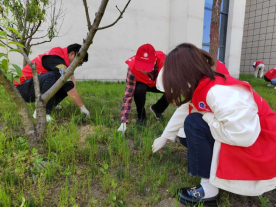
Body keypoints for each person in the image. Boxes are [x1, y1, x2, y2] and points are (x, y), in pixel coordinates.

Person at [152, 43, 276, 206]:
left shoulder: (216, 93)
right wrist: (166, 136)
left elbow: (244, 135)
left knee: (194, 124)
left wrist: (208, 118)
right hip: (253, 136)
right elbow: (185, 110)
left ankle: (209, 191)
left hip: (262, 146)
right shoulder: (203, 85)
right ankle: (213, 173)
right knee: (187, 135)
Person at [14, 43, 90, 121]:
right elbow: (68, 84)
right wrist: (82, 107)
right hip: (22, 89)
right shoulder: (55, 57)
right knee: (57, 76)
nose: (78, 65)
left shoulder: (61, 58)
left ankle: (51, 104)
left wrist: (74, 91)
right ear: (72, 54)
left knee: (64, 83)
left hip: (31, 86)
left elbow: (71, 84)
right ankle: (41, 112)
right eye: (79, 63)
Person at [117, 43, 169, 133]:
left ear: (154, 60)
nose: (143, 71)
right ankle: (141, 116)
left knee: (172, 90)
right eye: (141, 67)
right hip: (142, 84)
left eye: (146, 67)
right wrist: (123, 122)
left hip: (158, 82)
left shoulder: (164, 61)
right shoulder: (132, 68)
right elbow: (128, 95)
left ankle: (157, 109)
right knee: (139, 90)